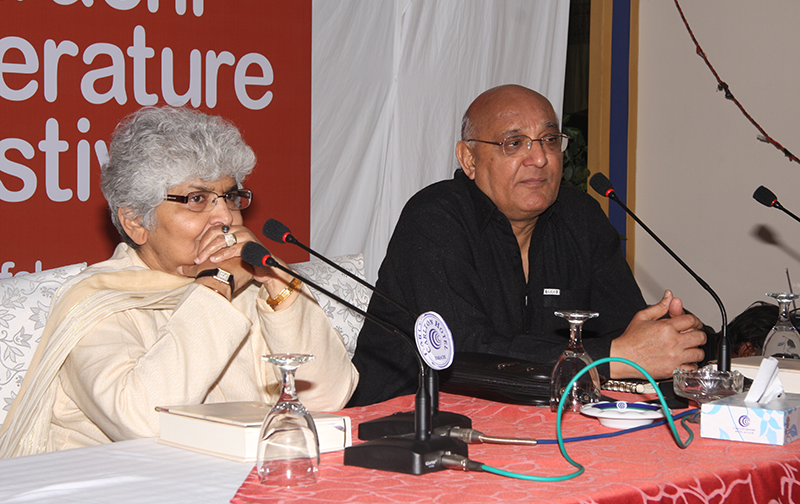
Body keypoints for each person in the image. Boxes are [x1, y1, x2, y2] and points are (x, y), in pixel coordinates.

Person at [0, 106, 358, 458]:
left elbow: (328, 399)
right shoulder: (98, 302)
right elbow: (144, 423)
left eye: (230, 197)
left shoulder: (250, 280)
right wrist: (216, 285)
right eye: (197, 199)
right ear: (136, 222)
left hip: (238, 477)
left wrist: (278, 283)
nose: (225, 217)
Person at [348, 84, 705, 406]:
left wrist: (670, 342)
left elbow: (623, 331)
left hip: (542, 417)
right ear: (469, 159)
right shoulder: (435, 218)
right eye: (514, 143)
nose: (540, 158)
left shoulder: (579, 217)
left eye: (549, 140)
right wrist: (611, 357)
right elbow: (461, 350)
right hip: (407, 420)